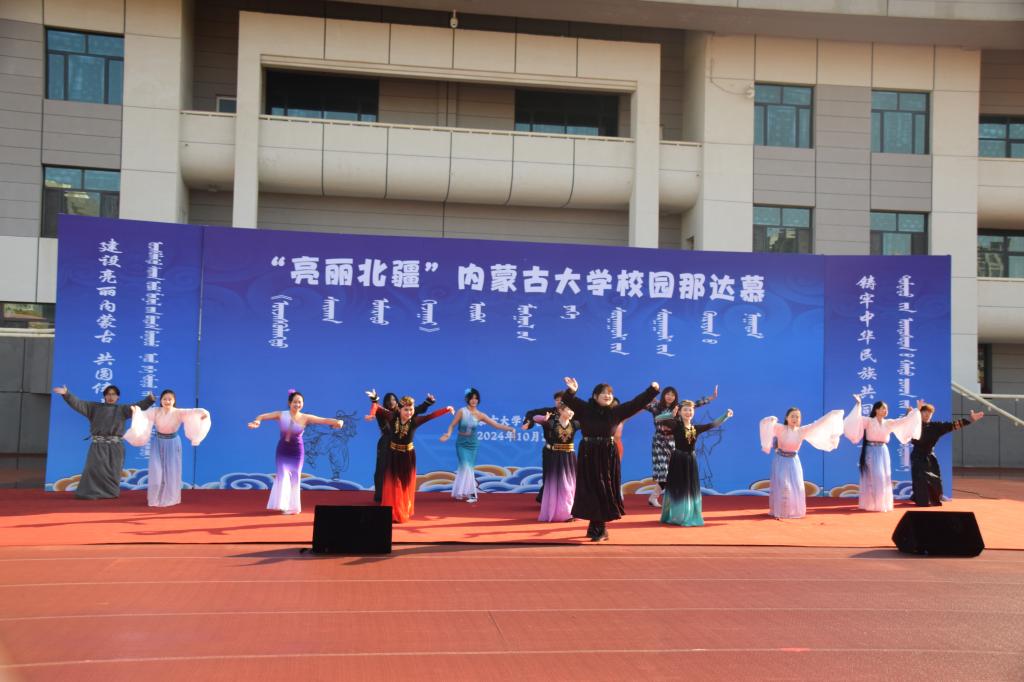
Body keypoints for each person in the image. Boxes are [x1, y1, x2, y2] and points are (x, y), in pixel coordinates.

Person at [560, 376, 659, 542]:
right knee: (590, 489)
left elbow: (636, 403)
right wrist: (572, 390)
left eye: (610, 393)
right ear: (595, 396)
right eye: (604, 393)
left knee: (603, 489)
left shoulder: (616, 411)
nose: (608, 396)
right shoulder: (584, 408)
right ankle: (595, 526)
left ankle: (600, 529)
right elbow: (567, 399)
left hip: (607, 455)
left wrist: (652, 390)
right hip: (588, 453)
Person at [247, 390, 343, 515]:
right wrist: (257, 421)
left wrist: (337, 421)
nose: (297, 404)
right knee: (282, 476)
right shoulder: (281, 414)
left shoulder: (305, 417)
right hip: (282, 451)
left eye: (300, 402)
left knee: (295, 477)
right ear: (289, 403)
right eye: (295, 402)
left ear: (302, 404)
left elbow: (323, 420)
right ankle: (282, 504)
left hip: (297, 452)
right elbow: (263, 416)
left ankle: (293, 507)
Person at [52, 385, 155, 499]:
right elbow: (78, 403)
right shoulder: (93, 407)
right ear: (104, 396)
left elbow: (138, 407)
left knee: (113, 470)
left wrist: (149, 400)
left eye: (113, 394)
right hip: (98, 445)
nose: (111, 397)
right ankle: (90, 493)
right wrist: (66, 394)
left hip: (116, 446)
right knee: (94, 469)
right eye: (108, 394)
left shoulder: (123, 409)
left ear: (118, 397)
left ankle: (110, 493)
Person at [368, 390, 453, 522]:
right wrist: (373, 405)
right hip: (393, 454)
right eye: (406, 410)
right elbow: (378, 408)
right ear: (399, 409)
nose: (409, 412)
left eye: (411, 410)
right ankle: (393, 511)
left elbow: (430, 416)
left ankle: (402, 510)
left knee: (405, 485)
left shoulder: (415, 421)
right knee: (393, 483)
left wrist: (446, 409)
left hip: (408, 456)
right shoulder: (392, 417)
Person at [124, 389, 211, 507]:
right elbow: (143, 415)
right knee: (156, 471)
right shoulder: (155, 411)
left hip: (173, 443)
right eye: (164, 399)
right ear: (161, 401)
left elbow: (193, 412)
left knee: (172, 470)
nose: (167, 401)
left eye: (170, 399)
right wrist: (137, 412)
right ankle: (155, 498)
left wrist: (203, 413)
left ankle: (171, 497)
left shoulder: (179, 412)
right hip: (158, 442)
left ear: (174, 401)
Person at [758, 407, 844, 519]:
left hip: (794, 461)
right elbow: (765, 424)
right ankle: (780, 511)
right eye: (792, 416)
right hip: (780, 461)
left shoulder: (802, 431)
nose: (795, 419)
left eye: (797, 417)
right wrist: (770, 419)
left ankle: (792, 511)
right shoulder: (781, 428)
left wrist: (831, 414)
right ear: (787, 418)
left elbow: (817, 424)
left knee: (796, 487)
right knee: (783, 486)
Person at [658, 400, 733, 527]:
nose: (688, 412)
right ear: (680, 412)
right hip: (678, 459)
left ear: (693, 412)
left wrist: (725, 416)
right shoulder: (675, 425)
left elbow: (713, 424)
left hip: (690, 460)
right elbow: (659, 418)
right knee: (678, 487)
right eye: (685, 410)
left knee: (689, 488)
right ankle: (676, 516)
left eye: (690, 410)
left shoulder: (696, 428)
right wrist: (670, 415)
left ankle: (688, 514)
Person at [843, 395, 921, 512]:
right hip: (870, 450)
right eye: (883, 408)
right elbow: (856, 420)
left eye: (886, 409)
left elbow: (903, 422)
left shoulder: (888, 422)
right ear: (876, 410)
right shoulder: (868, 421)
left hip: (883, 451)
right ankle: (870, 504)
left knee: (883, 477)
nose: (885, 410)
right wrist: (858, 404)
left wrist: (915, 411)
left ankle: (881, 504)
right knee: (872, 477)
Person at [643, 385, 717, 508]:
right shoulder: (656, 406)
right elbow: (641, 405)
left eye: (672, 395)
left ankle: (656, 497)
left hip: (673, 441)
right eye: (667, 394)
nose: (670, 397)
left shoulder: (678, 407)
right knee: (664, 472)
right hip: (660, 441)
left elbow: (694, 404)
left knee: (672, 471)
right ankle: (654, 497)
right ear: (663, 395)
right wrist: (649, 397)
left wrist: (710, 398)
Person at [440, 388, 515, 503]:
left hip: (473, 444)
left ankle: (469, 494)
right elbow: (452, 425)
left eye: (476, 398)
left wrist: (511, 429)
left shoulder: (480, 415)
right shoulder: (462, 411)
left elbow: (496, 425)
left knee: (468, 468)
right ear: (467, 399)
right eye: (471, 398)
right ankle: (464, 492)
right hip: (461, 443)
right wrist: (448, 434)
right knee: (465, 466)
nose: (474, 400)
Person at [364, 392, 435, 503]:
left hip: (398, 447)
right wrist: (374, 401)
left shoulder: (403, 412)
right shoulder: (385, 413)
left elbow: (418, 409)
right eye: (388, 400)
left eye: (393, 400)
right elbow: (376, 408)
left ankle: (398, 499)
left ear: (397, 402)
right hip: (385, 444)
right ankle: (380, 496)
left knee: (398, 474)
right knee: (382, 469)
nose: (391, 402)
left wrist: (428, 402)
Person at [910, 403, 984, 506]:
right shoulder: (914, 425)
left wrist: (970, 420)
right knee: (920, 479)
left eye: (930, 413)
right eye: (925, 412)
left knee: (935, 479)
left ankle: (935, 498)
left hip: (930, 457)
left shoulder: (936, 426)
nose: (927, 415)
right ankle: (920, 499)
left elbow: (953, 425)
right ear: (920, 413)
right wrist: (912, 414)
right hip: (917, 456)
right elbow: (905, 424)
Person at [531, 403, 579, 522]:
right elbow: (534, 418)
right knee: (555, 485)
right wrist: (544, 418)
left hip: (569, 457)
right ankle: (557, 513)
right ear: (560, 411)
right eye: (568, 410)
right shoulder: (552, 423)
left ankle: (569, 512)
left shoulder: (575, 424)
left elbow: (589, 423)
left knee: (569, 485)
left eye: (572, 410)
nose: (571, 412)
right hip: (555, 457)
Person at [521, 391, 564, 503]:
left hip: (565, 452)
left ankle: (564, 501)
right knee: (549, 476)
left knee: (565, 477)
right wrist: (529, 424)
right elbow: (531, 413)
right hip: (550, 450)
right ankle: (548, 500)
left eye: (562, 400)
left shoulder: (571, 414)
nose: (559, 402)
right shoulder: (549, 412)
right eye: (557, 400)